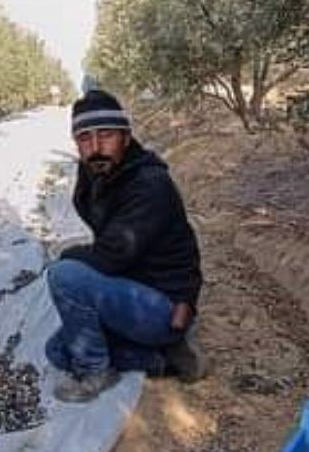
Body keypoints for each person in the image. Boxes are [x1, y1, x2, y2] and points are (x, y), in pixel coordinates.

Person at [46, 89, 206, 403]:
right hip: (133, 284)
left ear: (126, 136)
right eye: (84, 139)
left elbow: (112, 254)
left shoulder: (148, 184)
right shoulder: (96, 171)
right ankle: (161, 359)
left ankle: (96, 370)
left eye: (105, 136)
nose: (95, 148)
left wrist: (66, 254)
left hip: (164, 302)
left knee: (64, 275)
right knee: (56, 351)